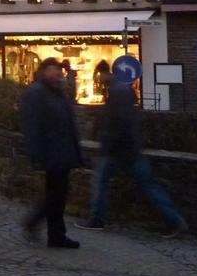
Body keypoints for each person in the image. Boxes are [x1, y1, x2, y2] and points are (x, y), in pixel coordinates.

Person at [76, 73, 188, 238]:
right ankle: (174, 220)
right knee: (148, 185)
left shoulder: (117, 92)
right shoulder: (124, 90)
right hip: (132, 148)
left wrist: (107, 143)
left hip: (118, 150)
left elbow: (117, 123)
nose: (98, 80)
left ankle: (97, 219)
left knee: (100, 182)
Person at [21, 57, 85, 249]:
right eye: (52, 69)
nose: (56, 73)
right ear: (43, 72)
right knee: (55, 195)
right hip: (51, 152)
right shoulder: (36, 93)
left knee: (57, 195)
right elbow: (32, 126)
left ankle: (55, 234)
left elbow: (68, 123)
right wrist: (37, 156)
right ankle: (43, 228)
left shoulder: (58, 92)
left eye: (58, 70)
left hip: (62, 151)